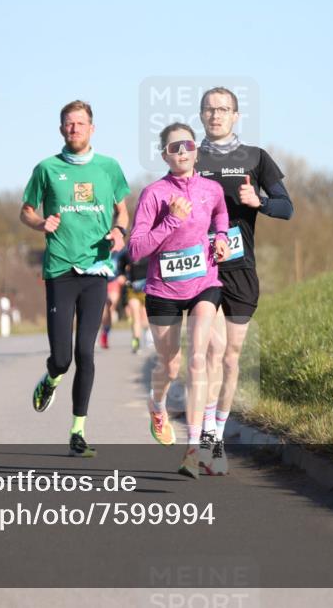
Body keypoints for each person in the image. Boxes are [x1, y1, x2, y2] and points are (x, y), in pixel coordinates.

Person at [20, 100, 130, 457]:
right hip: (60, 270)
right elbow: (26, 211)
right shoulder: (46, 169)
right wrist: (40, 223)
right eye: (68, 124)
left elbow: (122, 212)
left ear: (92, 128)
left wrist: (119, 233)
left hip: (96, 270)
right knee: (63, 358)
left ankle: (77, 430)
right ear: (61, 129)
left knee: (86, 352)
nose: (74, 129)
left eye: (80, 123)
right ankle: (50, 378)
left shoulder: (109, 168)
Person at [197, 87, 294, 475]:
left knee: (232, 356)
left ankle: (218, 433)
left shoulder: (256, 157)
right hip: (201, 269)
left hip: (241, 268)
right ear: (201, 115)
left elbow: (287, 207)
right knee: (211, 351)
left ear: (236, 116)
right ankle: (206, 437)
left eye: (224, 109)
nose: (216, 115)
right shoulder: (190, 157)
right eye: (209, 109)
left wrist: (260, 203)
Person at [128, 123, 230, 479]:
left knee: (199, 356)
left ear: (196, 150)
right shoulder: (153, 194)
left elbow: (220, 216)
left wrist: (220, 239)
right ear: (165, 156)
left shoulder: (212, 189)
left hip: (205, 283)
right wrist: (172, 219)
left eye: (187, 145)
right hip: (163, 290)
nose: (182, 152)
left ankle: (194, 448)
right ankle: (157, 405)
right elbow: (137, 248)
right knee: (169, 366)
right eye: (174, 148)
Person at [115, 250, 150, 353]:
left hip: (146, 288)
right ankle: (136, 342)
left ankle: (148, 333)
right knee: (135, 316)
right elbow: (120, 266)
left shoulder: (149, 250)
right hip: (132, 288)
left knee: (145, 317)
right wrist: (121, 275)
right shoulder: (128, 253)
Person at [99, 252, 123, 349]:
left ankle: (105, 333)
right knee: (103, 310)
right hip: (100, 282)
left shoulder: (119, 253)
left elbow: (125, 264)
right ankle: (101, 332)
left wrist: (124, 275)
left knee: (111, 308)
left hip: (113, 282)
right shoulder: (98, 250)